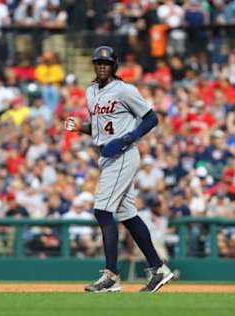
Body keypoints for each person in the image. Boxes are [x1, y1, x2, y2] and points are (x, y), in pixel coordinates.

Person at [64, 46, 173, 293]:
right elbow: (101, 129)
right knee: (127, 215)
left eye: (106, 63)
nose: (102, 66)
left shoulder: (124, 90)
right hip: (107, 155)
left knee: (103, 212)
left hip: (124, 154)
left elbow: (151, 118)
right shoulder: (90, 91)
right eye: (98, 63)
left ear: (114, 66)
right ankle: (158, 269)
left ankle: (111, 276)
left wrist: (127, 139)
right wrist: (80, 128)